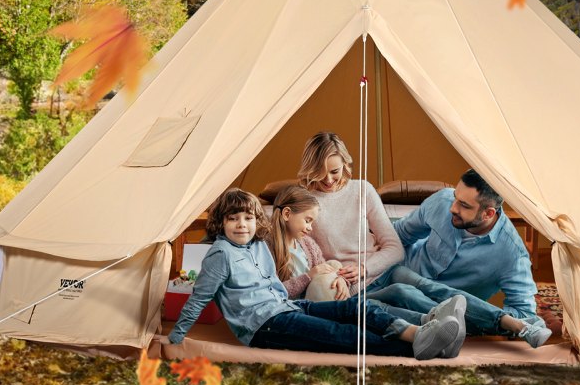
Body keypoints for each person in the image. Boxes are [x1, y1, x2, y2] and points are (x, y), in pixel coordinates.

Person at [166, 188, 465, 360]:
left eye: (248, 218)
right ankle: (423, 347)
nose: (242, 225)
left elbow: (275, 284)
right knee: (342, 335)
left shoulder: (257, 245)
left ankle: (419, 332)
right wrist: (176, 337)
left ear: (258, 220)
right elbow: (198, 298)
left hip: (286, 308)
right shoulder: (220, 255)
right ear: (222, 222)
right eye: (233, 219)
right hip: (263, 326)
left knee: (357, 307)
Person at [367, 170, 553, 349]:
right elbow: (400, 234)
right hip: (394, 279)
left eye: (464, 205)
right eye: (456, 197)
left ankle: (455, 321)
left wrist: (473, 316)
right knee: (402, 288)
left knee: (408, 295)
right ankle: (498, 321)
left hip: (441, 310)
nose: (452, 208)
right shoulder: (442, 200)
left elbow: (524, 312)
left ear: (488, 213)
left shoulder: (512, 254)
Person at [300, 131, 403, 292]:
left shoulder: (362, 190)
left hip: (380, 272)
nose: (328, 180)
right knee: (401, 293)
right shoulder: (304, 202)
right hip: (346, 284)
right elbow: (308, 259)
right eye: (320, 173)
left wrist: (364, 268)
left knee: (422, 286)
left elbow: (395, 249)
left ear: (345, 165)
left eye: (334, 171)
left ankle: (455, 305)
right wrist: (340, 276)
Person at [268, 184, 348, 301]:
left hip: (317, 298)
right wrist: (309, 276)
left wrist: (341, 280)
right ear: (287, 214)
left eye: (312, 223)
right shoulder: (267, 248)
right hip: (295, 306)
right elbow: (272, 292)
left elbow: (324, 270)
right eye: (307, 220)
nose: (310, 228)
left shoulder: (308, 244)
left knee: (334, 265)